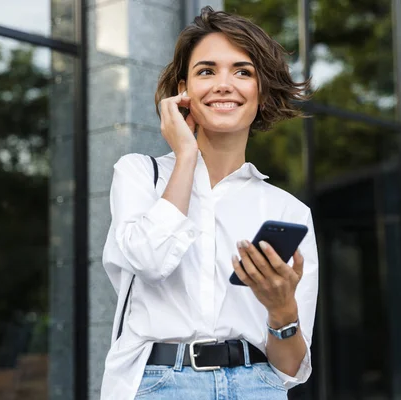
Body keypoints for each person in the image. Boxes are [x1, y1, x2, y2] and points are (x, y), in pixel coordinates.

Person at [101, 6, 319, 400]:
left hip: (258, 385)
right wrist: (185, 156)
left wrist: (282, 309)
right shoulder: (138, 175)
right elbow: (149, 260)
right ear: (182, 89)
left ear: (261, 92)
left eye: (242, 71)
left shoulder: (288, 211)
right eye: (206, 71)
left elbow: (291, 367)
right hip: (158, 384)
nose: (223, 84)